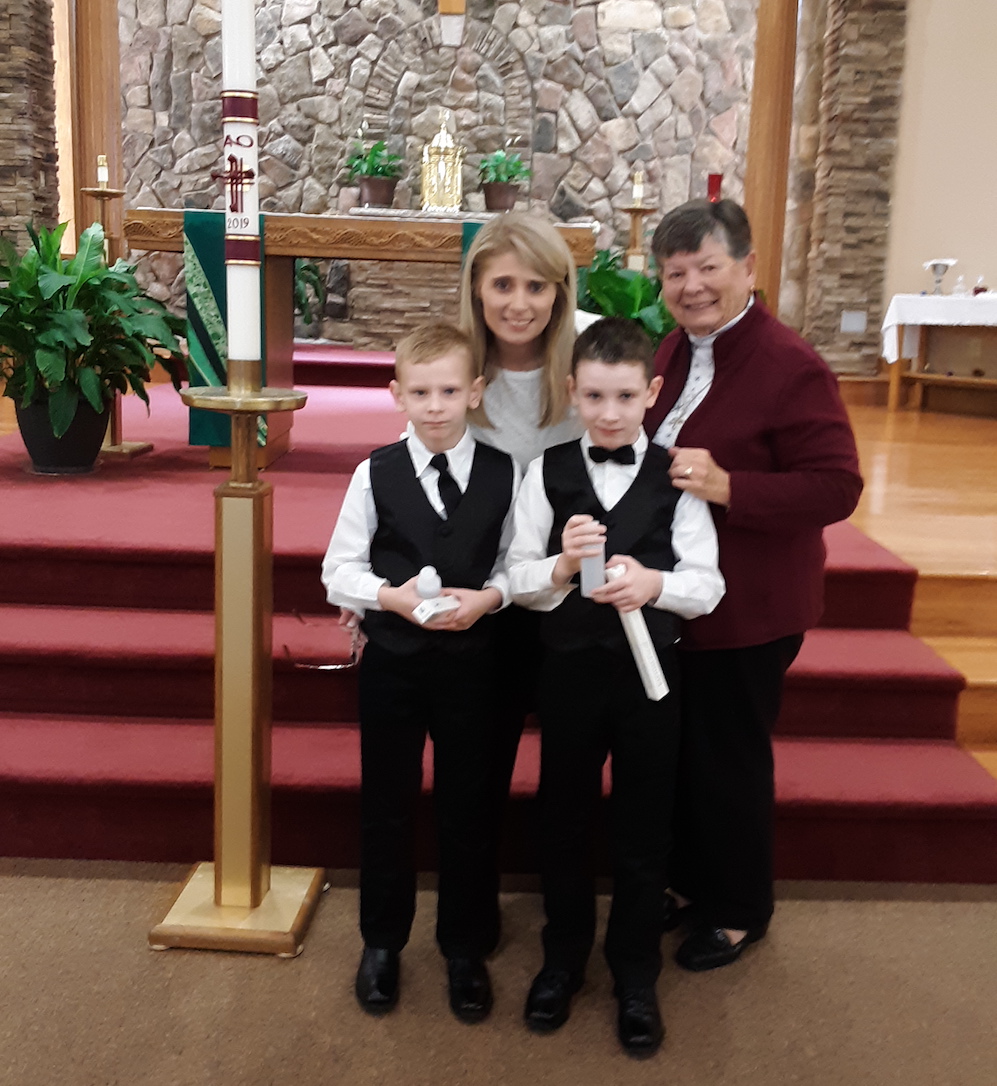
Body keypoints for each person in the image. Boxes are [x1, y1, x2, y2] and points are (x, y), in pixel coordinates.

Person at [643, 199, 863, 971]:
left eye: (708, 267)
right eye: (676, 273)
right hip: (676, 597)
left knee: (726, 757)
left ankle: (737, 909)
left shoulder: (787, 364)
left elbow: (836, 488)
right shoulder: (670, 350)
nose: (692, 285)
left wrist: (732, 487)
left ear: (747, 268)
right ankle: (684, 882)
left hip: (751, 604)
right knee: (677, 752)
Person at [507, 317, 724, 1057]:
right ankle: (561, 960)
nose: (607, 412)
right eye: (594, 395)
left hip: (649, 684)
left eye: (624, 396)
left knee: (642, 831)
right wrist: (560, 570)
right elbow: (514, 579)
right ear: (572, 391)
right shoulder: (546, 472)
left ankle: (635, 973)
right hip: (567, 673)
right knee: (562, 822)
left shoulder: (674, 477)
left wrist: (654, 582)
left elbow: (706, 586)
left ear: (651, 394)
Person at [321, 322, 518, 1023]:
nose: (434, 406)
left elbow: (515, 565)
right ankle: (382, 942)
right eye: (420, 392)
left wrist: (490, 597)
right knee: (388, 803)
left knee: (469, 806)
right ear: (396, 393)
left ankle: (464, 946)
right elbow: (337, 567)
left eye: (448, 390)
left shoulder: (504, 471)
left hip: (475, 667)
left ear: (474, 391)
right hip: (394, 669)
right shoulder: (372, 472)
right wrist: (388, 597)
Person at [458, 212, 585, 902]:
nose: (518, 303)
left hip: (571, 593)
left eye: (536, 286)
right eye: (502, 284)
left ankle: (564, 926)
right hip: (486, 598)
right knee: (477, 768)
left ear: (560, 291)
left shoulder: (588, 352)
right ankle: (470, 924)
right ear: (475, 287)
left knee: (570, 769)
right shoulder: (458, 363)